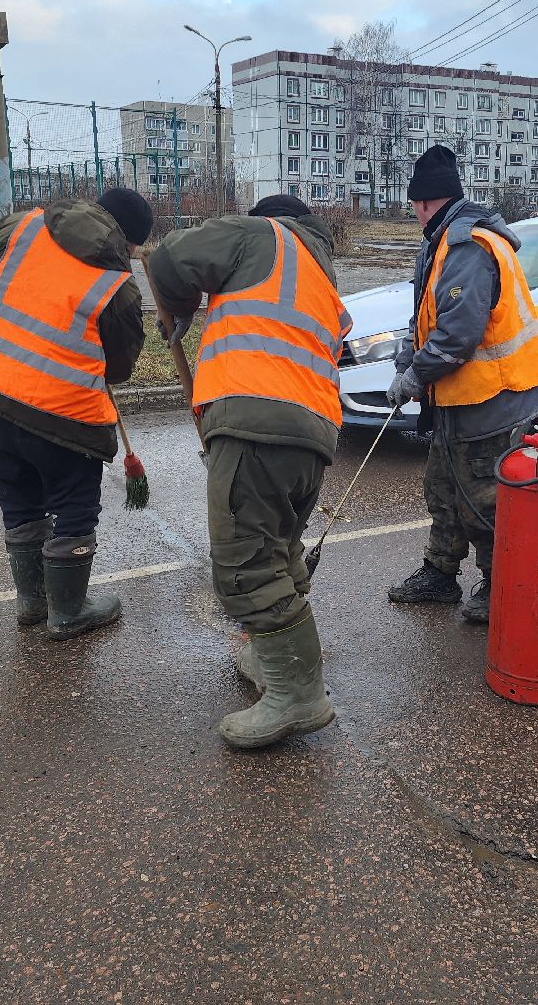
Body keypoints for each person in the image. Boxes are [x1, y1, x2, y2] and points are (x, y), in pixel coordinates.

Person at [148, 194, 352, 750]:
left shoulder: (262, 235)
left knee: (245, 561)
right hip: (312, 436)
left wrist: (183, 306)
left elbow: (167, 260)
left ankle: (299, 695)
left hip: (256, 421)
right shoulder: (321, 278)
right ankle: (271, 661)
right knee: (279, 548)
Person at [0, 188, 152, 641]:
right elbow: (119, 366)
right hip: (63, 413)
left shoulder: (20, 227)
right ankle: (68, 610)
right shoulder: (116, 281)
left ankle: (31, 601)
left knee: (18, 494)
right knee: (74, 504)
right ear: (130, 240)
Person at [386, 146, 538, 624]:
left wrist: (415, 377)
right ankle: (440, 574)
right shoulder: (439, 241)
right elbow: (427, 318)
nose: (413, 211)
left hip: (498, 398)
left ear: (424, 201)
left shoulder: (467, 247)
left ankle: (497, 583)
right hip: (462, 398)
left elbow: (458, 336)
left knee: (485, 497)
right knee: (442, 486)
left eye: (413, 203)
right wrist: (407, 360)